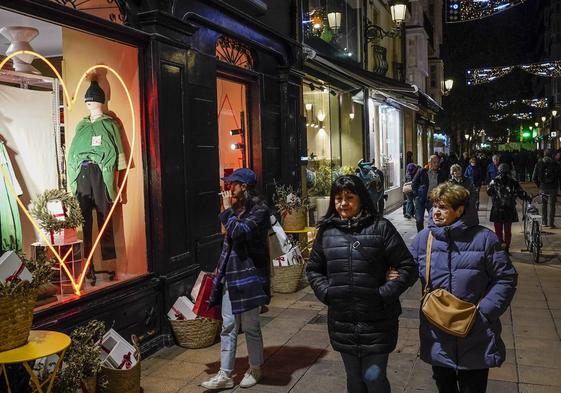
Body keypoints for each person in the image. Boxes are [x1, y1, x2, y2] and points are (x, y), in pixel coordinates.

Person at [306, 175, 417, 393]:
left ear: (361, 199)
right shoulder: (327, 232)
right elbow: (313, 269)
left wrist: (383, 294)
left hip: (377, 321)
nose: (343, 203)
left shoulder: (381, 228)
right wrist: (327, 293)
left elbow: (408, 267)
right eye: (338, 198)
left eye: (349, 197)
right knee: (354, 380)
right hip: (343, 321)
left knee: (374, 378)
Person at [411, 182, 518, 393]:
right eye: (434, 206)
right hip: (438, 332)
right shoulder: (424, 239)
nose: (436, 212)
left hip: (475, 333)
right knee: (445, 387)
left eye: (443, 207)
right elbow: (407, 268)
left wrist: (485, 312)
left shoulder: (485, 239)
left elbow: (506, 278)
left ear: (460, 210)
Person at [201, 168, 271, 390]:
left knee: (250, 326)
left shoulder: (259, 210)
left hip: (250, 277)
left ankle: (256, 369)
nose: (228, 188)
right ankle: (225, 374)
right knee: (228, 325)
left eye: (232, 184)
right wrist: (220, 269)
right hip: (231, 274)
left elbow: (240, 232)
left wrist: (226, 211)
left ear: (244, 187)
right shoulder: (236, 208)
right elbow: (229, 243)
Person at [487, 164, 530, 254]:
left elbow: (489, 192)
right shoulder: (513, 181)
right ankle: (506, 248)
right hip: (509, 208)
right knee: (507, 230)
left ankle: (501, 245)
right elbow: (520, 193)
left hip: (497, 208)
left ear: (499, 170)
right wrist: (527, 197)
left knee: (498, 230)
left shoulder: (494, 180)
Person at [412, 155, 448, 232]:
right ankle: (420, 235)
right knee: (419, 220)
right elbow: (414, 184)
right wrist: (417, 195)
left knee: (434, 220)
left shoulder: (441, 173)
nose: (436, 164)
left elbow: (445, 186)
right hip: (420, 199)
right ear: (429, 163)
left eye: (438, 162)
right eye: (434, 162)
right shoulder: (422, 171)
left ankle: (433, 236)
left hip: (433, 201)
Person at [532, 149, 561, 228]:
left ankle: (544, 222)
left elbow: (534, 177)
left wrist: (539, 185)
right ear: (552, 155)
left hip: (543, 187)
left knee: (544, 205)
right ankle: (551, 223)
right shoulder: (556, 164)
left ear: (544, 154)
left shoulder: (539, 163)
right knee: (552, 205)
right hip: (553, 187)